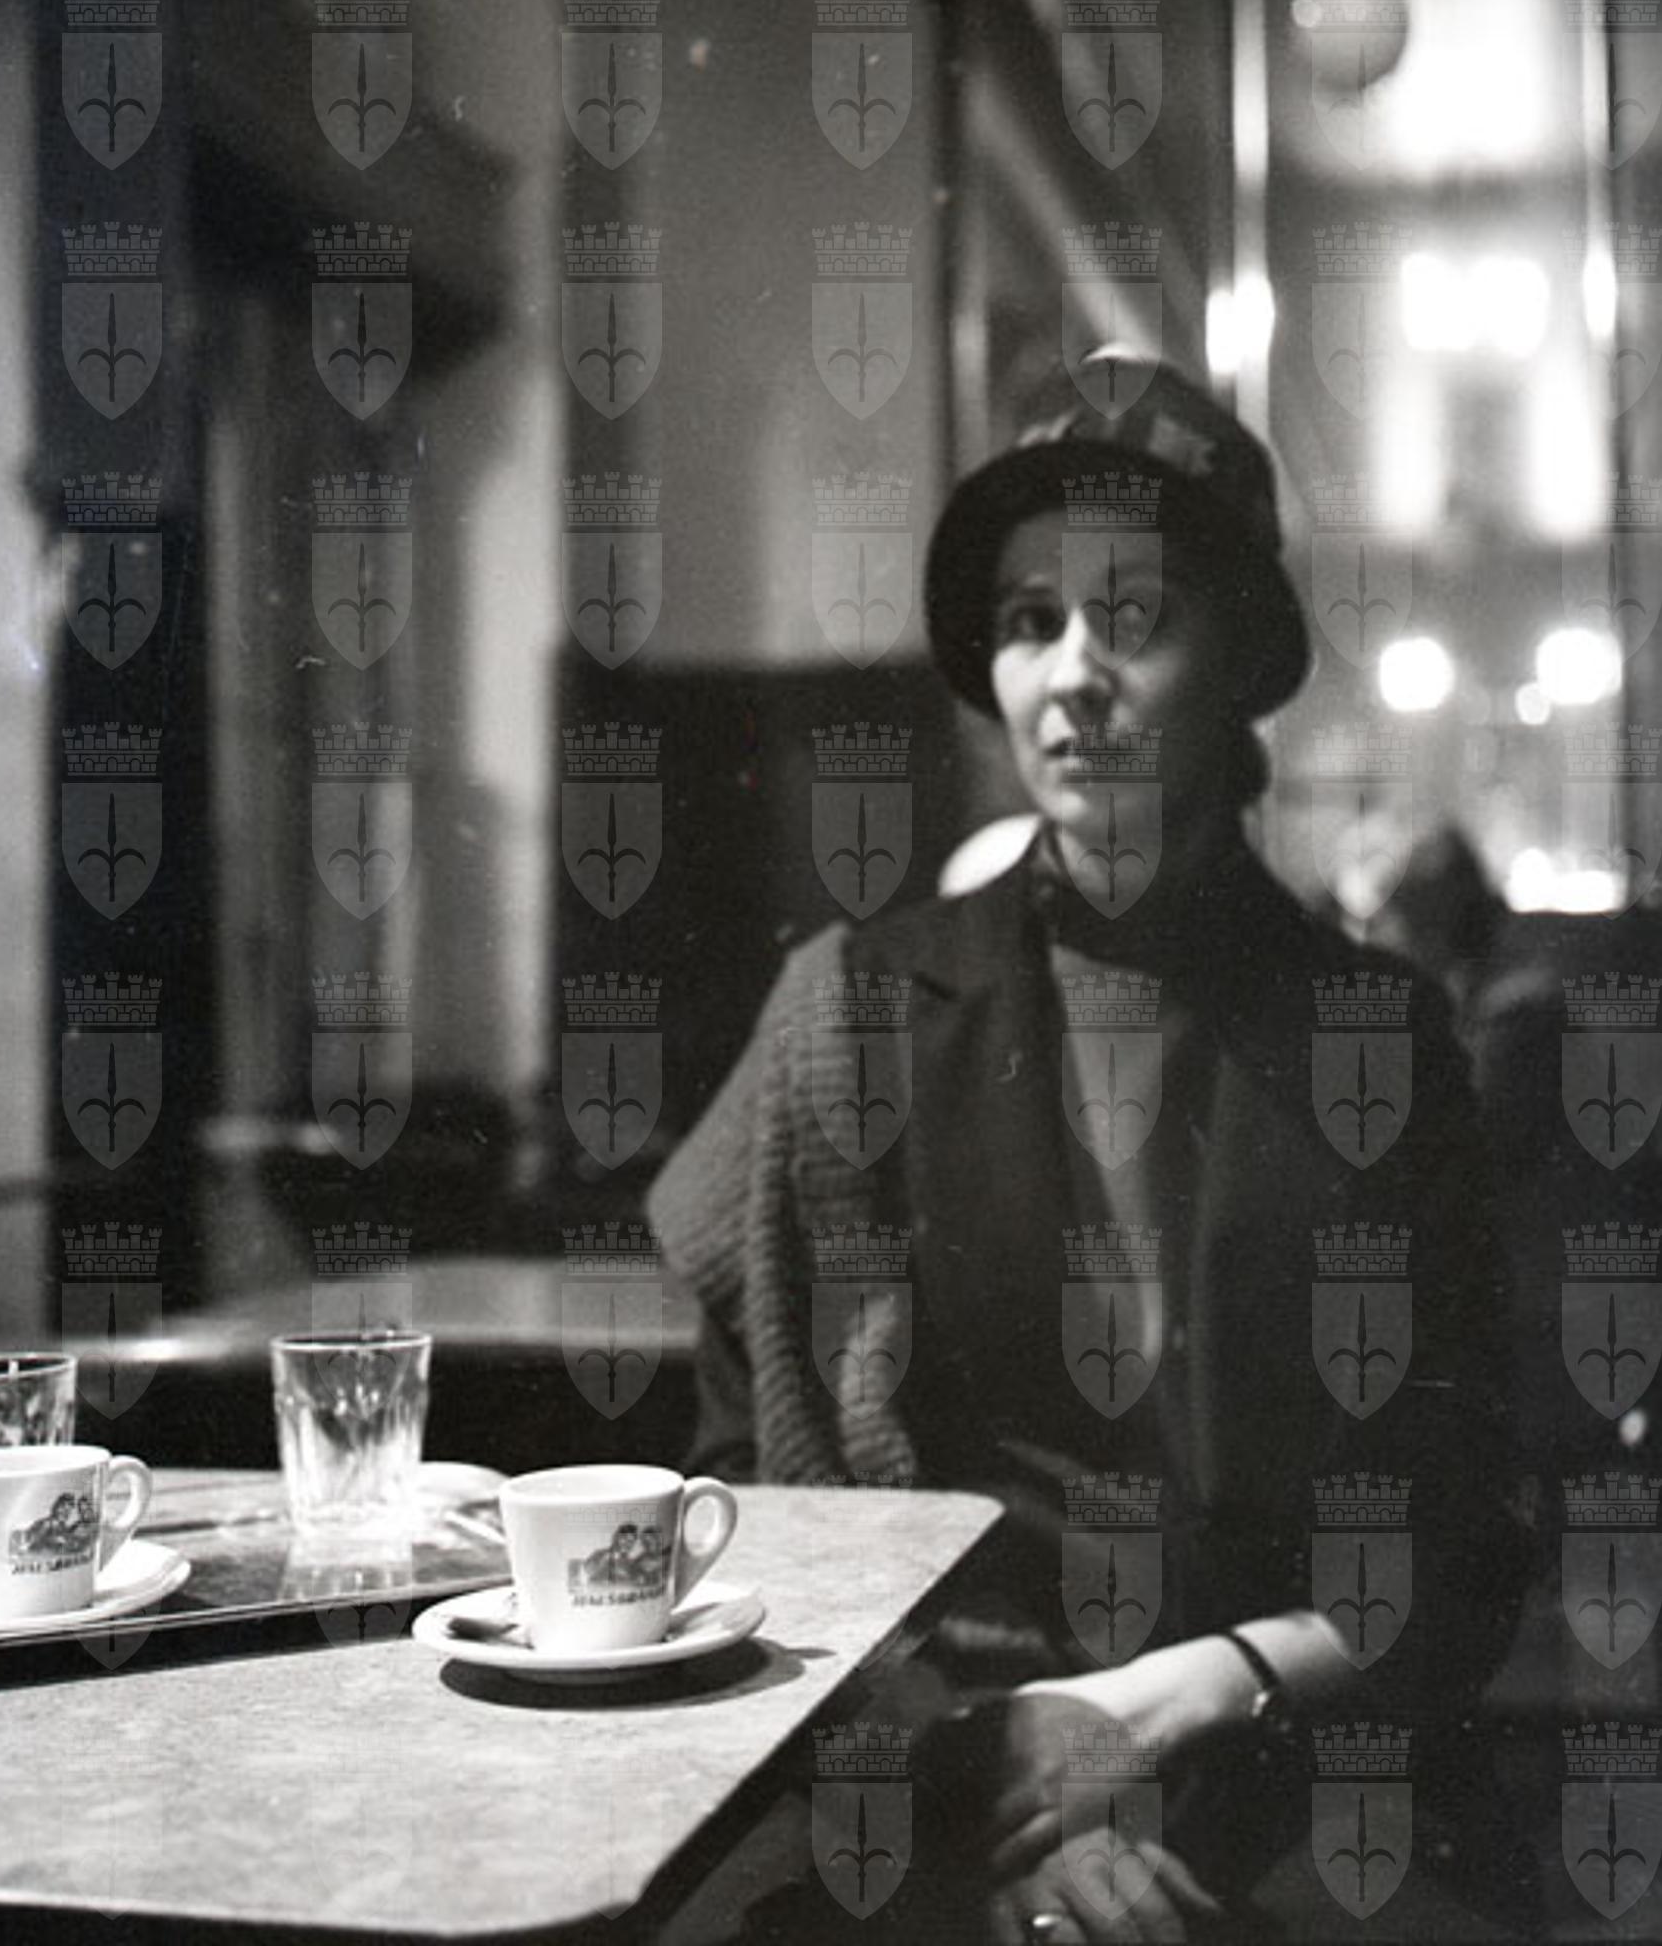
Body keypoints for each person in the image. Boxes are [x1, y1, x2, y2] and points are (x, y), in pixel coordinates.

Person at [648, 356, 1538, 1942]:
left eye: (1132, 617)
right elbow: (750, 1502)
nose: (1071, 673)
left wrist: (1169, 1703)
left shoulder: (1376, 1035)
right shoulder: (851, 1008)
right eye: (1027, 618)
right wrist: (990, 1775)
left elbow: (1461, 1532)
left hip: (1286, 1754)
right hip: (932, 1756)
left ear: (1239, 658)